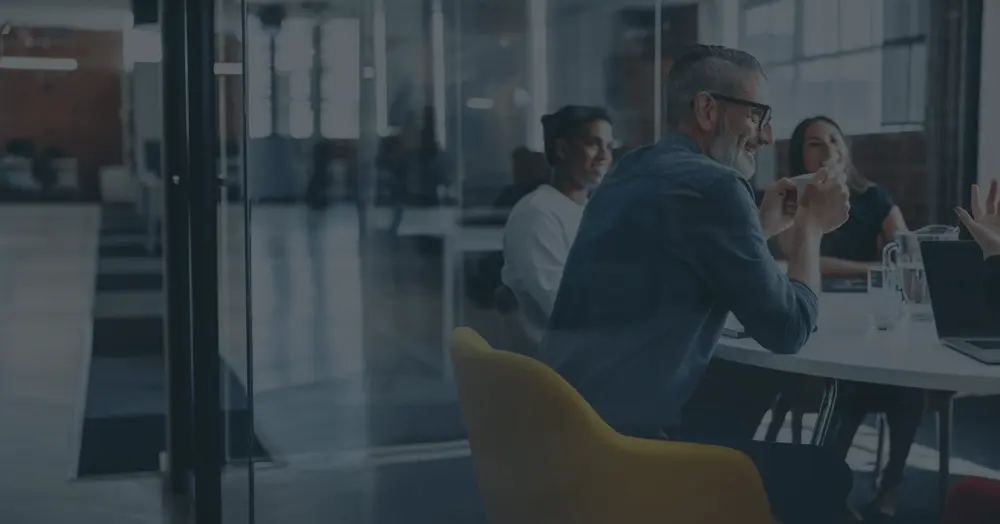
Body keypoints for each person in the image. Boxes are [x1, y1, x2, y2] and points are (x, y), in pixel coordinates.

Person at [538, 45, 854, 524]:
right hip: (628, 451)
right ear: (708, 108)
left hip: (571, 429)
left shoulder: (632, 168)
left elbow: (674, 259)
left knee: (747, 382)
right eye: (759, 115)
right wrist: (808, 230)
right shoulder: (718, 188)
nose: (768, 136)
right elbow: (788, 330)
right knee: (826, 474)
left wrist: (759, 228)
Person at [776, 116, 923, 522]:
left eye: (834, 141)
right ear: (798, 154)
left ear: (846, 149)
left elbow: (907, 253)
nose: (827, 151)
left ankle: (891, 483)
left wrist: (890, 260)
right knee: (848, 381)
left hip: (867, 321)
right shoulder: (792, 198)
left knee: (910, 387)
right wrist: (870, 267)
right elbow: (799, 258)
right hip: (814, 321)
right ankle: (827, 488)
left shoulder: (875, 197)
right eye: (814, 144)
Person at [500, 105, 614, 347]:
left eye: (609, 146)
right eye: (594, 144)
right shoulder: (537, 213)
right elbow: (564, 307)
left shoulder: (586, 212)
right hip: (565, 359)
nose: (604, 156)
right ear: (562, 149)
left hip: (593, 345)